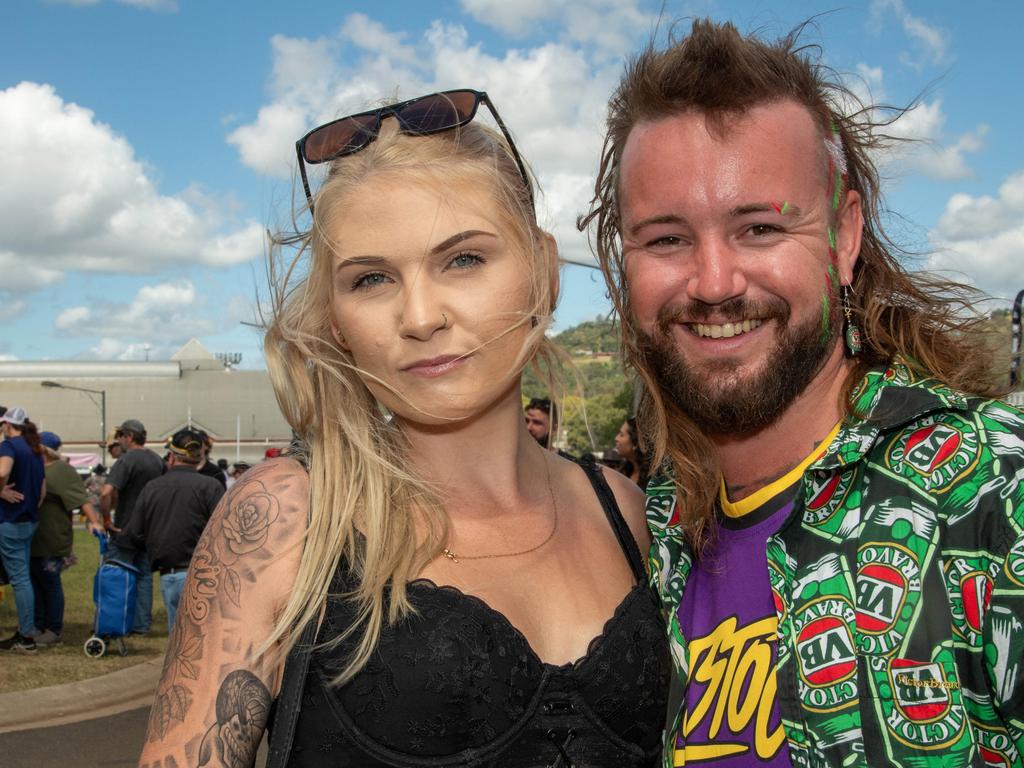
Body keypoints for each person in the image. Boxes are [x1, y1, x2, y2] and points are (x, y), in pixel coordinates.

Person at [140, 89, 669, 767]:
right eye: (371, 280)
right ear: (334, 318)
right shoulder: (287, 520)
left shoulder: (625, 511)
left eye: (464, 260)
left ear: (542, 270)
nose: (420, 316)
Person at [581, 19, 1024, 767]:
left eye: (758, 228)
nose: (714, 283)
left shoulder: (991, 498)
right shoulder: (649, 542)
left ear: (844, 237)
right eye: (665, 239)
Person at [114, 428, 224, 633]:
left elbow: (135, 532)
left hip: (170, 574)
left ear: (172, 457)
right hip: (204, 574)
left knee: (179, 642)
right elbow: (224, 532)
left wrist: (117, 535)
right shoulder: (211, 486)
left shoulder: (153, 488)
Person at [30, 431, 102, 647]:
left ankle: (53, 629)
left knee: (50, 582)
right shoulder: (35, 467)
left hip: (52, 537)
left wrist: (94, 521)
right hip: (34, 538)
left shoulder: (62, 471)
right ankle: (38, 625)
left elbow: (81, 499)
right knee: (35, 582)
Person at [100, 418, 164, 635]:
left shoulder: (126, 461)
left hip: (125, 528)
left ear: (128, 437)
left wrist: (107, 520)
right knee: (145, 577)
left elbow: (105, 492)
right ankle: (141, 625)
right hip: (149, 528)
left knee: (117, 574)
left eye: (120, 436)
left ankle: (115, 621)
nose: (119, 441)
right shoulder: (157, 460)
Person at [0, 407, 46, 651]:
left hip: (10, 520)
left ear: (7, 425)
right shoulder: (35, 449)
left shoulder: (9, 446)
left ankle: (26, 635)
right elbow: (42, 491)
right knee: (22, 577)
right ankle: (29, 629)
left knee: (19, 580)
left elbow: (3, 471)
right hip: (29, 520)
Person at [614, 416, 650, 488]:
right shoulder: (624, 471)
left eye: (621, 435)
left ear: (635, 443)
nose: (616, 438)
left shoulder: (653, 479)